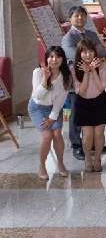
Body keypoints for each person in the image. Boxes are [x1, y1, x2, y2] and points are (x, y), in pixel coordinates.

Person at [61, 5, 106, 162]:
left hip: (94, 78)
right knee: (76, 114)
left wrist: (87, 54)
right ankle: (76, 145)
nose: (80, 18)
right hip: (77, 79)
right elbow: (73, 56)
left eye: (82, 15)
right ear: (70, 19)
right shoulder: (68, 38)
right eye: (76, 15)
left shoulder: (91, 34)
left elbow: (102, 51)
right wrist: (91, 53)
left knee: (92, 111)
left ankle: (92, 142)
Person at [28, 46, 73, 180]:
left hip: (54, 108)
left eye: (58, 57)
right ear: (46, 58)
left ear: (63, 59)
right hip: (37, 107)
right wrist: (45, 78)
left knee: (57, 134)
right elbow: (37, 96)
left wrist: (52, 118)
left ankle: (60, 163)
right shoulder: (38, 72)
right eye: (51, 56)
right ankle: (42, 166)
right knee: (47, 136)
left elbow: (60, 100)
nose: (54, 60)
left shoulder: (66, 77)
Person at [71, 40, 106, 173]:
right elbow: (81, 92)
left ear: (95, 52)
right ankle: (88, 159)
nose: (88, 55)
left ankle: (98, 159)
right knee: (88, 135)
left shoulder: (102, 65)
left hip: (100, 102)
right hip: (83, 103)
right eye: (84, 52)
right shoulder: (74, 68)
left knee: (99, 134)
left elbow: (101, 87)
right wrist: (86, 73)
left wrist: (93, 71)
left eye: (90, 51)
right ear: (79, 53)